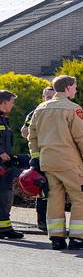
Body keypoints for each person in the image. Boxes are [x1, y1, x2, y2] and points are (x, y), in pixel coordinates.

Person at [27, 75, 83, 250]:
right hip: (70, 162)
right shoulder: (73, 109)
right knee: (80, 198)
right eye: (74, 87)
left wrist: (36, 159)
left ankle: (57, 239)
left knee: (54, 199)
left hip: (48, 163)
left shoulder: (40, 108)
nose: (76, 90)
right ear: (67, 88)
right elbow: (82, 138)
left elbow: (32, 136)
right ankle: (78, 238)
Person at [0, 91, 24, 239]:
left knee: (5, 196)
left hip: (5, 163)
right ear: (3, 102)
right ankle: (4, 229)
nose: (13, 105)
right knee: (3, 196)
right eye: (11, 102)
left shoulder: (3, 119)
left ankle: (5, 227)